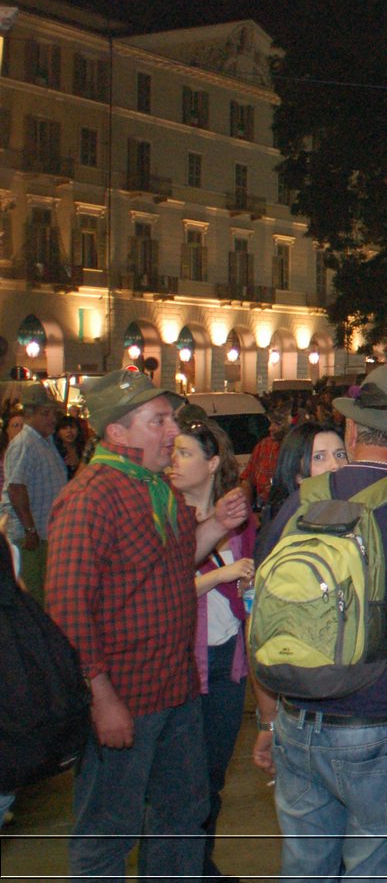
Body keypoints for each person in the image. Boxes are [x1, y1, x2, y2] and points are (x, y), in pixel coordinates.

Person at [252, 364, 387, 881]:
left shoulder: (298, 503)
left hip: (298, 721)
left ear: (351, 430)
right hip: (384, 726)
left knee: (305, 869)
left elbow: (260, 617)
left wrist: (267, 720)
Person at [46, 370, 250, 880]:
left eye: (171, 420)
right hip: (126, 696)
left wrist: (219, 525)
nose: (171, 433)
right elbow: (68, 609)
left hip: (175, 689)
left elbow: (180, 560)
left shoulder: (156, 491)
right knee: (107, 833)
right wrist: (101, 696)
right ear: (118, 433)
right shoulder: (90, 497)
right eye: (158, 421)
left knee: (181, 819)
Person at [169, 418, 256, 882]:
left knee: (212, 781)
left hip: (228, 659)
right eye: (173, 452)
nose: (174, 461)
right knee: (178, 785)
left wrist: (250, 581)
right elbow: (160, 588)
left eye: (184, 452)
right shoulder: (167, 515)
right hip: (179, 662)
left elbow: (249, 583)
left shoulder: (238, 518)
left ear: (213, 462)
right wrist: (220, 575)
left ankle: (201, 865)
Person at [1, 384, 66, 600]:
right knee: (32, 595)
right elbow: (16, 488)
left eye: (53, 413)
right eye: (45, 413)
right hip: (29, 537)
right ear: (29, 414)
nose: (52, 418)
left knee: (45, 593)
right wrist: (30, 529)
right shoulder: (25, 443)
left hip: (45, 532)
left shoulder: (45, 442)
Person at [259, 420, 349, 540]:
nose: (335, 465)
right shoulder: (289, 527)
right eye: (319, 457)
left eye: (340, 455)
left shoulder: (353, 513)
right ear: (298, 474)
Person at [54, 412, 89, 479]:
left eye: (72, 427)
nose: (69, 431)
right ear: (58, 432)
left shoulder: (84, 448)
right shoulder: (54, 449)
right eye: (64, 428)